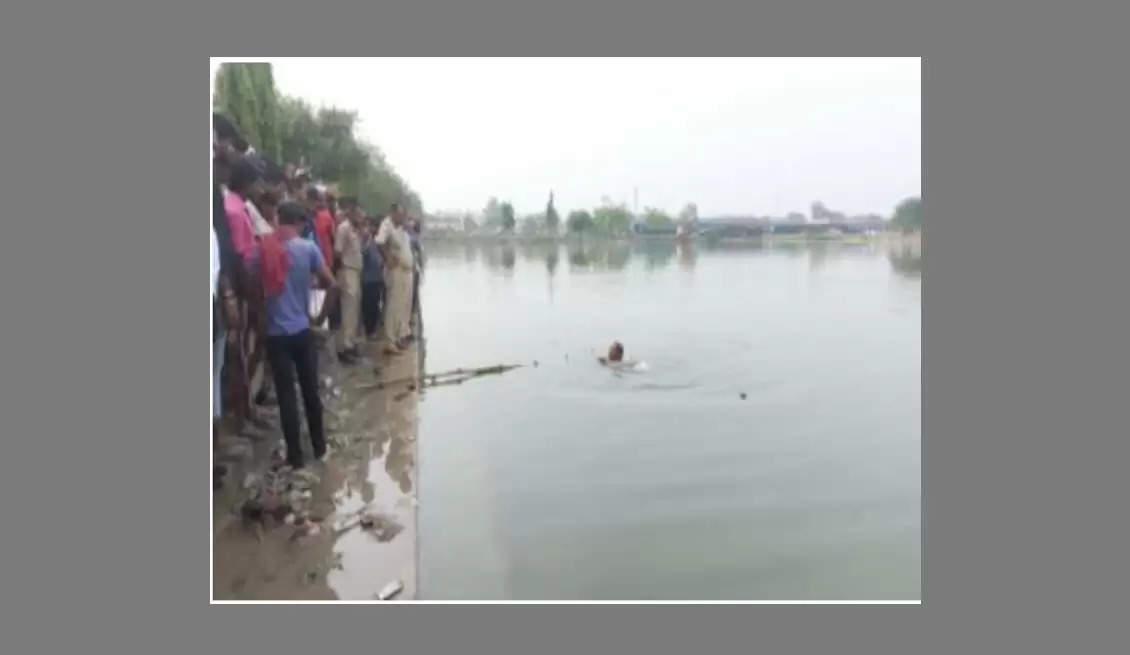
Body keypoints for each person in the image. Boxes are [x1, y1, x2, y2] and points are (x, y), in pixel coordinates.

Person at [254, 201, 339, 469]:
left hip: (276, 334)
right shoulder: (308, 248)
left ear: (280, 219)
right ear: (301, 223)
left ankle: (295, 457)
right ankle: (320, 447)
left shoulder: (265, 249)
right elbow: (332, 285)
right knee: (310, 391)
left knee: (286, 396)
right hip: (302, 330)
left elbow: (254, 283)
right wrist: (320, 318)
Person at [375, 203, 415, 355]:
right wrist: (387, 259)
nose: (402, 217)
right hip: (396, 271)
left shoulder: (400, 228)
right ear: (392, 213)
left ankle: (398, 337)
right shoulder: (387, 225)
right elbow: (379, 242)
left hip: (406, 271)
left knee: (403, 306)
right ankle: (389, 341)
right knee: (393, 306)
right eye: (400, 214)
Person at [334, 197, 365, 364]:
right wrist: (340, 273)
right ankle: (344, 348)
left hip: (356, 271)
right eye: (359, 214)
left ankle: (350, 343)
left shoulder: (355, 229)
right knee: (348, 310)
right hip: (347, 271)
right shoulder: (343, 228)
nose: (361, 217)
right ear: (352, 213)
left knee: (354, 310)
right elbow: (338, 252)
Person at [361, 216, 384, 341]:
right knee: (369, 306)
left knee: (375, 305)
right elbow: (362, 252)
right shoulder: (368, 241)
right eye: (375, 227)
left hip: (377, 279)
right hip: (368, 279)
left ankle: (372, 330)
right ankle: (369, 331)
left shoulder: (378, 242)